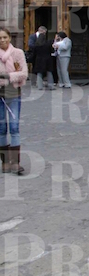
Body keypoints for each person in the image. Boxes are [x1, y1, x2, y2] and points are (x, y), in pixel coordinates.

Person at [0, 28, 28, 175]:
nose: (2, 40)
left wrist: (6, 76)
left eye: (5, 37)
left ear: (9, 38)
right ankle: (4, 162)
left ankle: (16, 162)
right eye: (0, 38)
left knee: (15, 127)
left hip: (13, 94)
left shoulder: (18, 53)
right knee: (1, 128)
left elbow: (24, 73)